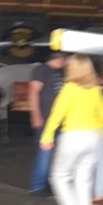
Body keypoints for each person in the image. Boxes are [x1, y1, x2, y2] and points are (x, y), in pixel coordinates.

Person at [40, 54, 103, 205]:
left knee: (59, 177)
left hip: (73, 136)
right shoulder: (95, 89)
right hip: (92, 137)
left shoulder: (69, 88)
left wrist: (47, 136)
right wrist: (98, 134)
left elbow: (57, 114)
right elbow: (102, 112)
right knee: (83, 182)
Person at [27, 51, 66, 194]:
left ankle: (46, 182)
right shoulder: (42, 70)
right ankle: (38, 185)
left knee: (53, 153)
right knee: (45, 152)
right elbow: (33, 92)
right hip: (46, 118)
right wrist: (36, 115)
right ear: (59, 58)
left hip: (57, 119)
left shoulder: (58, 72)